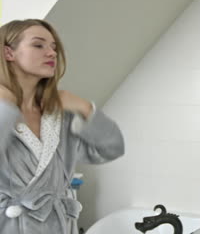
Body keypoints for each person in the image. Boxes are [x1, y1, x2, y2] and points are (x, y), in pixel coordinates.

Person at [0, 19, 125, 234]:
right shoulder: (3, 112)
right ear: (9, 53)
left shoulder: (58, 114)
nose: (51, 53)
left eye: (54, 47)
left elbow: (112, 148)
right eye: (39, 45)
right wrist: (5, 108)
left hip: (58, 226)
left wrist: (85, 108)